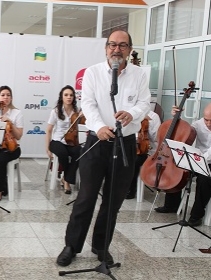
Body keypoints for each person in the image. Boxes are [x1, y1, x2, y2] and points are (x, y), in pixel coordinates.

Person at [56, 30, 151, 267]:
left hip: (125, 143)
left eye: (122, 45)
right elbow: (88, 103)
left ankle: (101, 246)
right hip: (97, 141)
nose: (116, 49)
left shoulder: (139, 75)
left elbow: (144, 103)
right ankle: (71, 245)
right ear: (106, 48)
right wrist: (98, 126)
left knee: (113, 201)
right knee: (86, 197)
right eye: (112, 45)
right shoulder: (93, 72)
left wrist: (133, 113)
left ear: (130, 49)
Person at [154, 103, 211, 227]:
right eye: (206, 119)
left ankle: (196, 215)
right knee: (176, 168)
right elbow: (184, 131)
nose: (208, 123)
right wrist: (177, 117)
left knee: (204, 177)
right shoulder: (200, 124)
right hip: (200, 160)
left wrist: (195, 162)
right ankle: (172, 205)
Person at [45, 85, 82, 194]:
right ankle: (67, 181)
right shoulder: (56, 111)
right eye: (66, 95)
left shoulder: (77, 110)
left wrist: (83, 116)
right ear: (62, 97)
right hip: (57, 140)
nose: (69, 97)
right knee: (62, 153)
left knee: (79, 153)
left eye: (71, 95)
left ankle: (65, 179)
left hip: (72, 141)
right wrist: (47, 148)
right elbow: (49, 130)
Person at [126, 110, 161, 199]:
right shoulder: (128, 113)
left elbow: (156, 138)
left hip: (147, 150)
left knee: (135, 160)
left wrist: (145, 131)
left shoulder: (153, 116)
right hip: (130, 147)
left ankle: (130, 190)